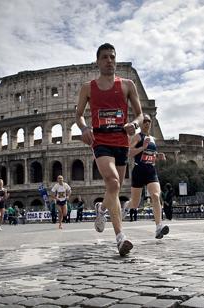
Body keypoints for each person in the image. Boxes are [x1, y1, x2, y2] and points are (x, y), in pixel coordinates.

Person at [75, 43, 143, 256]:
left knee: (115, 189)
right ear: (97, 61)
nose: (109, 60)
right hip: (100, 140)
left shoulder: (127, 85)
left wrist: (136, 124)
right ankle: (120, 238)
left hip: (121, 141)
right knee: (113, 182)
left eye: (112, 57)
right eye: (104, 57)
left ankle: (101, 209)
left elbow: (140, 114)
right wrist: (85, 128)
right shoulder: (88, 87)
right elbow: (77, 115)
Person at [123, 114, 169, 238]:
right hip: (139, 170)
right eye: (144, 121)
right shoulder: (137, 137)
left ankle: (159, 227)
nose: (147, 123)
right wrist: (142, 147)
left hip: (150, 171)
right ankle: (127, 206)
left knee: (155, 195)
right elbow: (128, 152)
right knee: (135, 204)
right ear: (141, 124)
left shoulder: (153, 138)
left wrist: (158, 156)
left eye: (148, 121)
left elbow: (151, 154)